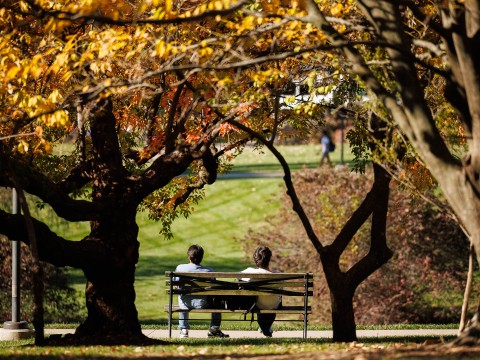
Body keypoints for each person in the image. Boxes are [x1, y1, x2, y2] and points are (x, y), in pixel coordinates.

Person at [174, 244, 229, 338]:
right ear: (201, 257)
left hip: (185, 303)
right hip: (204, 303)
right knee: (217, 301)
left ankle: (184, 330)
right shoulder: (209, 271)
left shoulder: (180, 268)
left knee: (181, 295)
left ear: (189, 256)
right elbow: (214, 288)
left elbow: (175, 284)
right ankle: (214, 329)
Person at [240, 246, 281, 337]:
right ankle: (265, 329)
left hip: (257, 304)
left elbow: (239, 277)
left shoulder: (250, 272)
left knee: (257, 298)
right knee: (274, 298)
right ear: (269, 259)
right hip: (273, 305)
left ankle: (264, 328)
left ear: (256, 260)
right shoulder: (277, 274)